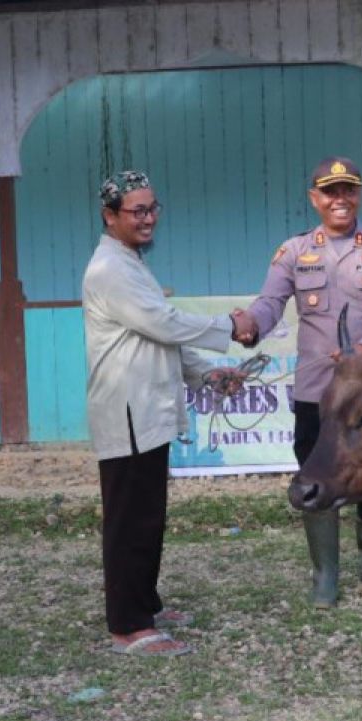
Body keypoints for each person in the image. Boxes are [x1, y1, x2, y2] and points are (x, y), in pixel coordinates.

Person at [232, 156, 362, 608]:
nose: (340, 199)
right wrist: (252, 324)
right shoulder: (294, 252)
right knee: (315, 480)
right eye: (330, 191)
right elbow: (270, 302)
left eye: (348, 190)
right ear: (315, 199)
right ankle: (325, 577)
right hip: (315, 394)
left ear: (359, 194)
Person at [83, 170, 248, 655]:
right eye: (137, 211)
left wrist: (207, 374)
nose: (149, 219)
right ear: (110, 216)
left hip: (148, 409)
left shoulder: (130, 263)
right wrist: (228, 325)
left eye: (153, 208)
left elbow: (160, 336)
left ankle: (145, 605)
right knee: (130, 519)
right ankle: (128, 626)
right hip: (127, 410)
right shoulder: (109, 269)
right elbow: (163, 321)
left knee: (148, 515)